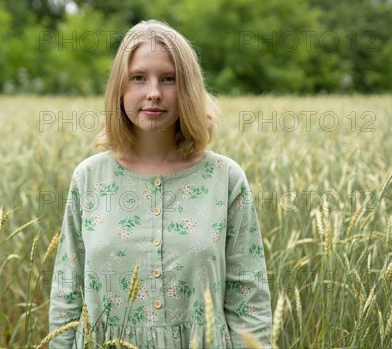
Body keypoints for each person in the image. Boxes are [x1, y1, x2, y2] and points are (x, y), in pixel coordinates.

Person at [48, 20, 272, 348]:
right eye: (139, 78)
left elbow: (248, 299)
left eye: (169, 79)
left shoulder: (225, 179)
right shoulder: (89, 179)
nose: (154, 93)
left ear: (189, 90)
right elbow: (66, 293)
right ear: (120, 88)